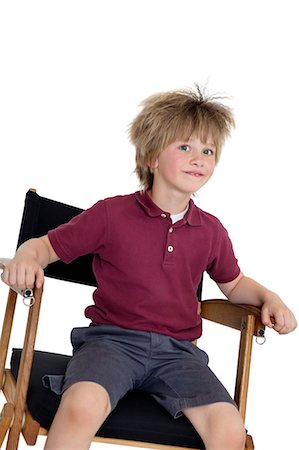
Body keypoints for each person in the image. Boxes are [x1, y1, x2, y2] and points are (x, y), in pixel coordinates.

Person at [1, 85, 297, 450]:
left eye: (208, 150)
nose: (199, 158)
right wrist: (27, 257)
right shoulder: (111, 215)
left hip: (179, 353)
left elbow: (234, 285)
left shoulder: (211, 231)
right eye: (185, 147)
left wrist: (270, 297)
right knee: (81, 406)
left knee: (229, 428)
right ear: (152, 158)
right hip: (111, 343)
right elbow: (44, 247)